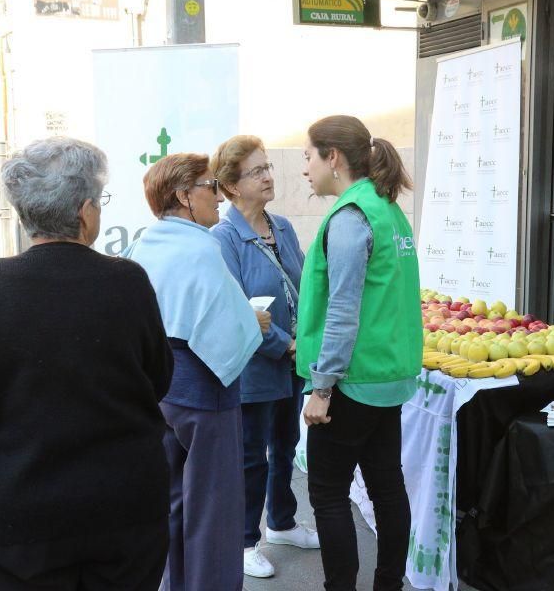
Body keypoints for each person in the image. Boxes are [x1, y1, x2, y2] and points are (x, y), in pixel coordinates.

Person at [0, 137, 173, 590]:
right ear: (85, 211)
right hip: (123, 509)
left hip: (18, 514)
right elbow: (159, 379)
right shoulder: (127, 281)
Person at [122, 153, 270, 591]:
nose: (220, 199)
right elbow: (227, 329)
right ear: (185, 196)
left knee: (171, 503)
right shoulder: (202, 247)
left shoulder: (143, 243)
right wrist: (254, 321)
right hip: (206, 395)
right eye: (211, 187)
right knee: (214, 511)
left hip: (159, 393)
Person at [297, 115, 422, 591]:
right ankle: (389, 584)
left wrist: (322, 387)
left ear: (334, 158)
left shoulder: (352, 218)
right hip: (386, 376)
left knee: (328, 495)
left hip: (351, 381)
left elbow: (344, 309)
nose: (305, 168)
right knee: (387, 485)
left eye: (309, 156)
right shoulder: (386, 208)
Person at [210, 135, 318, 579]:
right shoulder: (224, 237)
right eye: (257, 171)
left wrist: (304, 340)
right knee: (252, 455)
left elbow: (307, 283)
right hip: (256, 366)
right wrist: (286, 345)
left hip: (292, 360)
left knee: (286, 445)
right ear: (232, 186)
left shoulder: (284, 227)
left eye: (268, 166)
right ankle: (245, 541)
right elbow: (238, 308)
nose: (269, 176)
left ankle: (282, 522)